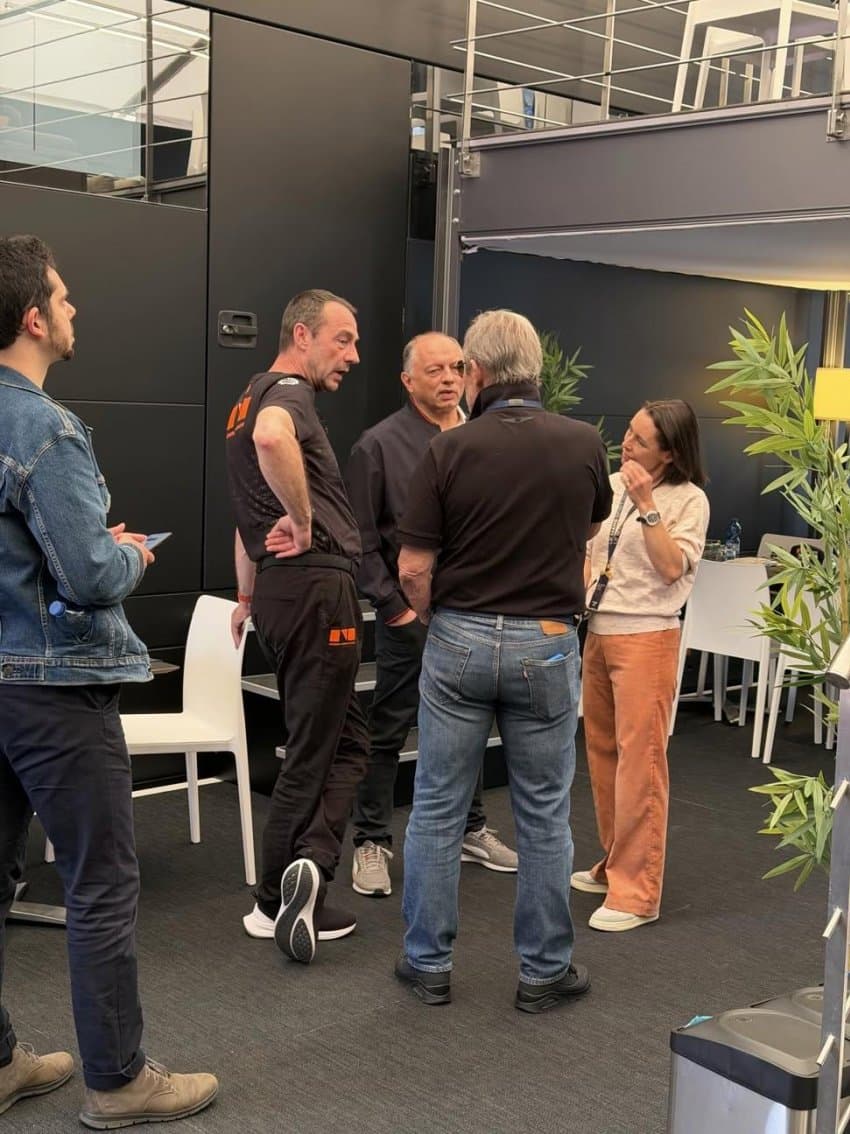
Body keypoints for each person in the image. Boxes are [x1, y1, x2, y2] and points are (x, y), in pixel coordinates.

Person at [0, 235, 217, 1126]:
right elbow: (90, 577)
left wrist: (89, 549)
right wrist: (125, 553)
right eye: (63, 295)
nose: (74, 308)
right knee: (100, 883)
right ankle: (120, 1081)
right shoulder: (44, 426)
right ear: (33, 318)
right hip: (52, 691)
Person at [394, 309, 612, 1013]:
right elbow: (590, 529)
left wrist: (439, 618)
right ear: (536, 370)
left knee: (436, 806)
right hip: (546, 640)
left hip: (458, 636)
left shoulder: (448, 450)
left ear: (477, 372)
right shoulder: (583, 443)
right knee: (544, 813)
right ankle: (543, 974)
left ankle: (427, 965)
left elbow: (412, 567)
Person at [226, 289, 370, 965]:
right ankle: (274, 899)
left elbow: (244, 516)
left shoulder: (247, 396)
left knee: (342, 737)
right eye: (343, 339)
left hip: (281, 593)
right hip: (317, 590)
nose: (353, 355)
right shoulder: (287, 395)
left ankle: (305, 867)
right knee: (320, 748)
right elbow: (272, 439)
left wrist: (246, 593)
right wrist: (307, 524)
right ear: (302, 335)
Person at [346, 332, 517, 897]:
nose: (449, 378)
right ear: (407, 380)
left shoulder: (482, 436)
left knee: (472, 725)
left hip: (476, 612)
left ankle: (471, 829)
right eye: (435, 370)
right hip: (410, 616)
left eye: (457, 367)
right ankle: (372, 840)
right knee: (390, 727)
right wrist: (395, 611)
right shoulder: (378, 446)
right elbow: (360, 541)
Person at [572, 400, 709, 932]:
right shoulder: (611, 484)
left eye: (640, 440)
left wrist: (648, 505)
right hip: (599, 632)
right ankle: (615, 865)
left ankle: (638, 892)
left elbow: (671, 568)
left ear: (670, 454)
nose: (626, 443)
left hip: (647, 636)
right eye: (627, 432)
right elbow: (590, 549)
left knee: (641, 764)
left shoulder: (688, 499)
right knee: (603, 754)